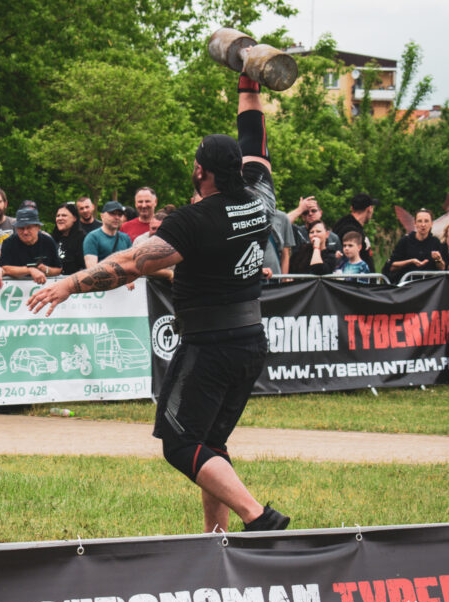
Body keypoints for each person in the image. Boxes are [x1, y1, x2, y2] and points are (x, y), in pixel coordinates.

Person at [28, 66, 290, 534]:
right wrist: (248, 83)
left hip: (211, 344)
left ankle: (258, 517)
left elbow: (131, 264)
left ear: (199, 171)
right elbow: (255, 138)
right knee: (209, 442)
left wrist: (69, 284)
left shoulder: (196, 220)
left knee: (177, 442)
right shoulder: (260, 197)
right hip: (250, 340)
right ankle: (217, 536)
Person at [0, 208, 62, 282]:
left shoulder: (48, 241)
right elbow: (4, 268)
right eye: (21, 228)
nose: (25, 232)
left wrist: (46, 270)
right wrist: (30, 270)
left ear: (38, 227)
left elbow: (58, 269)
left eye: (29, 227)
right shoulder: (8, 243)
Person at [386, 208, 445, 283]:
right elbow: (392, 266)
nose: (423, 225)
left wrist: (438, 259)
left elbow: (442, 268)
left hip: (429, 285)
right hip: (407, 284)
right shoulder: (405, 241)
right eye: (420, 221)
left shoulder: (435, 242)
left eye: (426, 221)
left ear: (431, 224)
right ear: (415, 223)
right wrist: (411, 261)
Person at [331, 194, 378, 271]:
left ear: (351, 208)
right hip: (353, 279)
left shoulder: (341, 224)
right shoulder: (351, 231)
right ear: (369, 209)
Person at [83, 200, 132, 268]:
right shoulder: (92, 237)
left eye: (120, 214)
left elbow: (131, 265)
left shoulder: (126, 238)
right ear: (102, 216)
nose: (117, 217)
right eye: (112, 213)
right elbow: (92, 270)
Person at [52, 203, 87, 275]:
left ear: (74, 218)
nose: (60, 218)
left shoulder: (83, 239)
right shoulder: (52, 239)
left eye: (64, 215)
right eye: (58, 216)